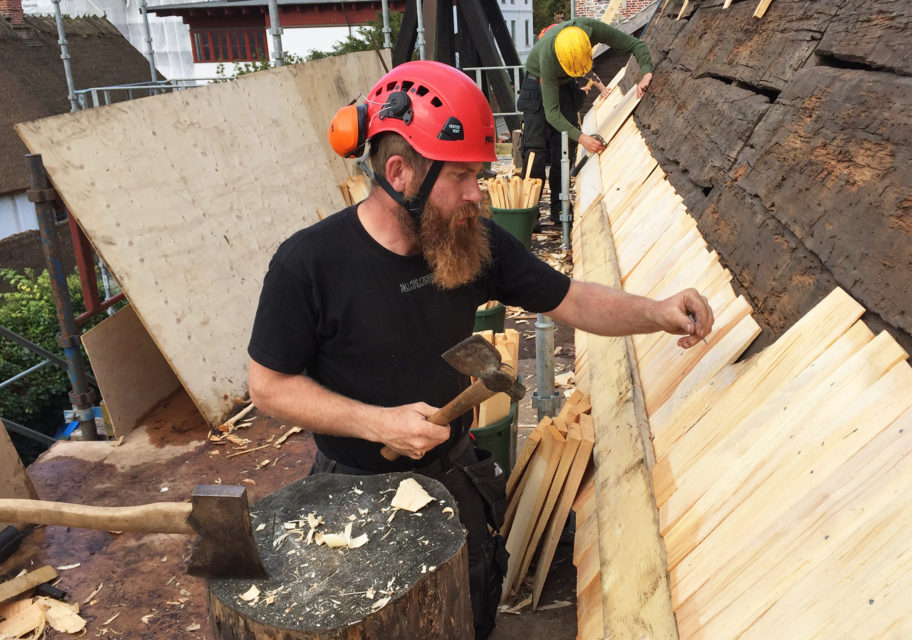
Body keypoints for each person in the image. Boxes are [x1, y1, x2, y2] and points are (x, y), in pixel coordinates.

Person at [247, 60, 711, 639]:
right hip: (350, 492)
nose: (477, 193)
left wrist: (658, 312)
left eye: (480, 174)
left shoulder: (470, 242)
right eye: (462, 176)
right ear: (400, 172)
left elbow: (570, 298)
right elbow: (268, 387)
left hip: (453, 480)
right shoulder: (308, 264)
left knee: (464, 618)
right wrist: (375, 423)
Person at [518, 18, 654, 226]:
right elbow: (552, 113)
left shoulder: (591, 29)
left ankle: (560, 210)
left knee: (564, 148)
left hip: (566, 84)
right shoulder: (548, 54)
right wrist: (583, 138)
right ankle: (530, 213)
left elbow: (636, 44)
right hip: (538, 84)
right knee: (536, 150)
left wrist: (646, 72)